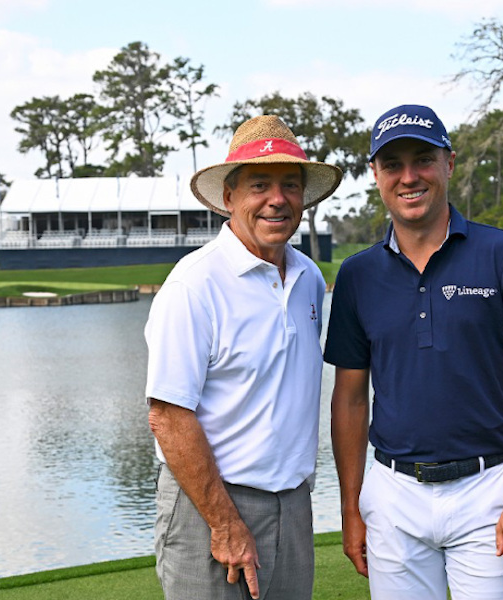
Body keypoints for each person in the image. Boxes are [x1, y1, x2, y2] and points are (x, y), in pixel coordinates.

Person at [324, 104, 503, 600]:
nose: (409, 177)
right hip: (392, 495)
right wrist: (352, 507)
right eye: (393, 165)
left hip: (489, 489)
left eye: (423, 159)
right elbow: (349, 399)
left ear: (449, 163)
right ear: (375, 175)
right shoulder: (357, 275)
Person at [144, 115, 343, 600]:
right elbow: (168, 416)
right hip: (208, 507)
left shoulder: (308, 279)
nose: (277, 199)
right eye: (260, 184)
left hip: (293, 507)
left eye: (290, 186)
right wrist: (225, 523)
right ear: (229, 197)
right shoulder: (195, 284)